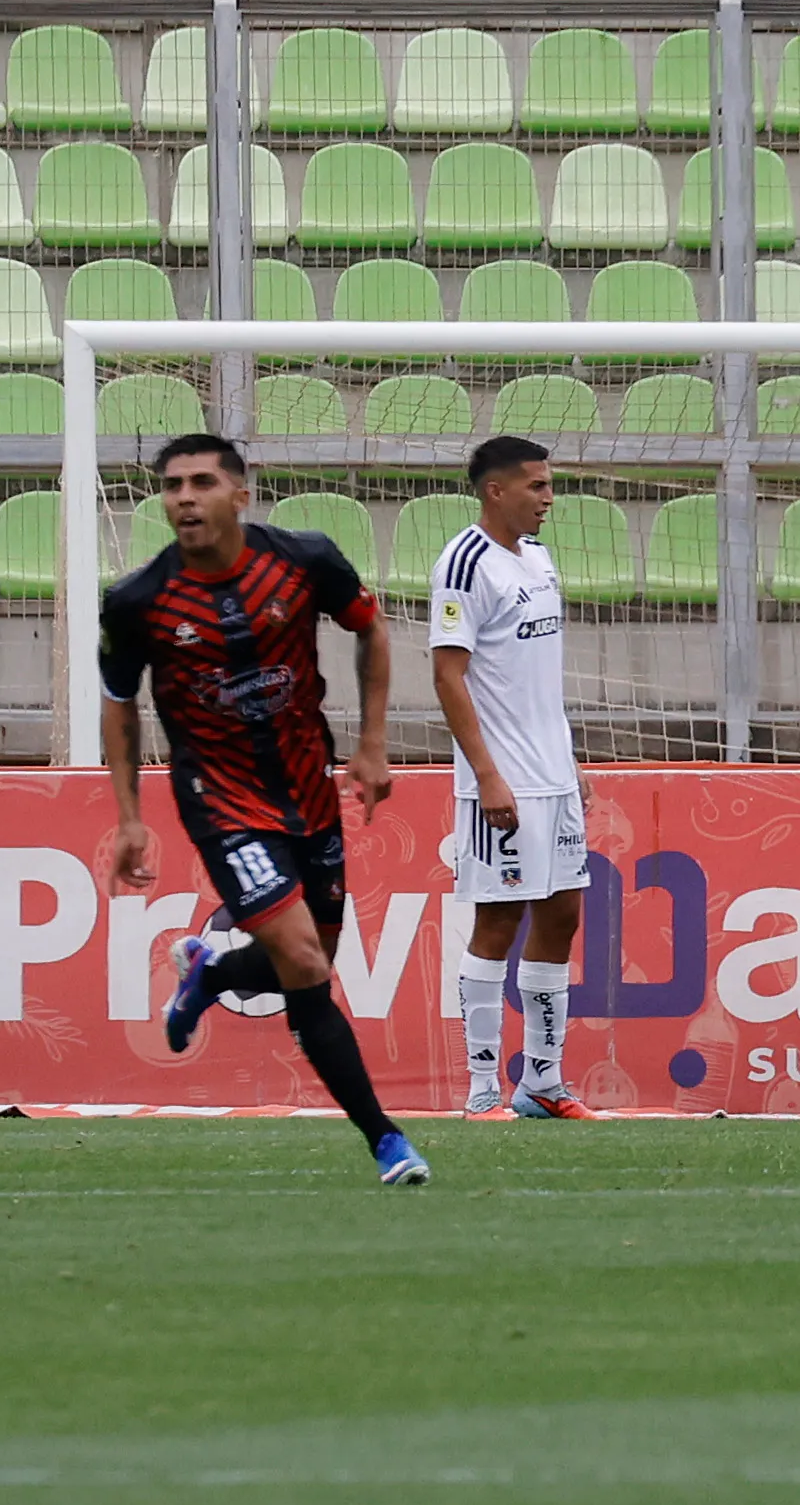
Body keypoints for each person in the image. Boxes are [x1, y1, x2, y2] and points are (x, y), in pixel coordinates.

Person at [106, 433, 427, 1186]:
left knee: (308, 962)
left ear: (239, 494)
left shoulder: (304, 559)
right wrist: (128, 815)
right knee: (307, 963)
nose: (184, 496)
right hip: (221, 801)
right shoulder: (138, 599)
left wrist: (373, 743)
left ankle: (211, 972)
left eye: (202, 481)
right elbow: (120, 706)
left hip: (310, 793)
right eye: (173, 484)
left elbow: (370, 630)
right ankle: (386, 1140)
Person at [431, 434, 597, 1122]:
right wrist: (487, 774)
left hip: (551, 772)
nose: (549, 498)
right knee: (497, 921)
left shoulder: (538, 558)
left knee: (562, 912)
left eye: (550, 484)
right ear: (494, 490)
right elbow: (447, 676)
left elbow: (536, 677)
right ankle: (480, 1093)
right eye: (536, 485)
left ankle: (543, 1082)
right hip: (502, 781)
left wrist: (569, 760)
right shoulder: (465, 562)